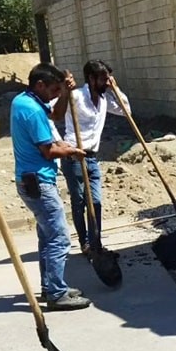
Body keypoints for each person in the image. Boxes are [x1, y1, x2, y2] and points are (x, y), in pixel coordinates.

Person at [11, 63, 91, 310]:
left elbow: (56, 115)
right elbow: (48, 151)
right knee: (59, 238)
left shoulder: (24, 100)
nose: (57, 94)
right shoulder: (32, 111)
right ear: (40, 85)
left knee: (47, 237)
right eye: (54, 89)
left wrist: (65, 93)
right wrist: (71, 151)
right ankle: (56, 294)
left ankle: (51, 286)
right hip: (38, 181)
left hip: (30, 179)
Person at [61, 59, 130, 257]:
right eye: (103, 79)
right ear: (91, 78)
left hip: (92, 158)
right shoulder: (75, 97)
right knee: (80, 202)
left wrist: (115, 89)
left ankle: (96, 244)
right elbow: (52, 114)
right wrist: (65, 147)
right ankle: (85, 243)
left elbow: (126, 111)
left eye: (108, 79)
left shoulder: (104, 99)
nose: (106, 82)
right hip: (74, 158)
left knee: (96, 202)